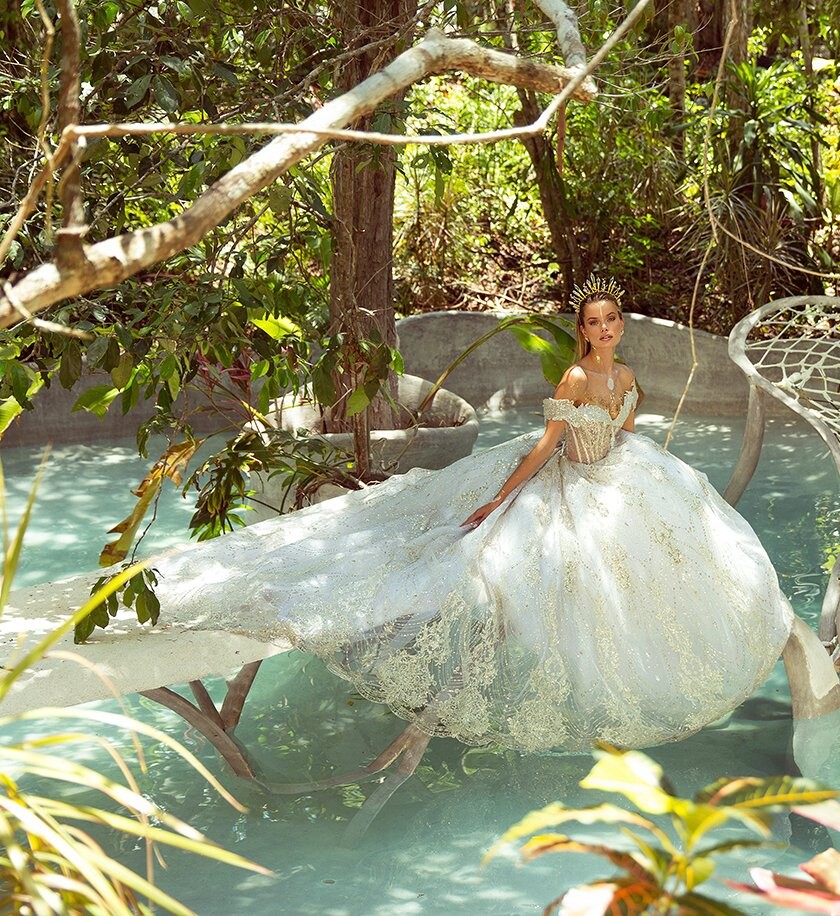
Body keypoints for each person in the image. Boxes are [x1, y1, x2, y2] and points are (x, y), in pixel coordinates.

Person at [153, 277, 793, 752]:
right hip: (565, 476)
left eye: (612, 319)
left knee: (666, 543)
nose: (605, 329)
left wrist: (632, 459)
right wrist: (498, 498)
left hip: (614, 476)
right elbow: (546, 447)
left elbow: (625, 430)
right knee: (498, 560)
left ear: (620, 325)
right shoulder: (573, 379)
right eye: (595, 322)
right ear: (582, 330)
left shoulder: (623, 374)